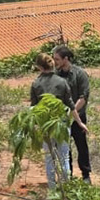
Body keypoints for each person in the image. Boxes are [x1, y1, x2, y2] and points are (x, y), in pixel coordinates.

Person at [31, 53, 88, 189]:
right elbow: (71, 105)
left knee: (49, 158)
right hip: (62, 124)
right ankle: (66, 186)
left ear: (39, 67)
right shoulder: (61, 82)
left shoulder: (36, 84)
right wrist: (79, 122)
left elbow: (33, 107)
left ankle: (52, 188)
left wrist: (34, 126)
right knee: (64, 157)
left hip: (46, 125)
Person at [53, 45, 93, 183]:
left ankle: (86, 174)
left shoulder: (79, 74)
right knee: (64, 148)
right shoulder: (55, 75)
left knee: (81, 145)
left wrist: (71, 113)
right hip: (61, 118)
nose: (55, 62)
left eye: (57, 59)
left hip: (78, 117)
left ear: (66, 59)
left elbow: (83, 97)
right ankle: (67, 175)